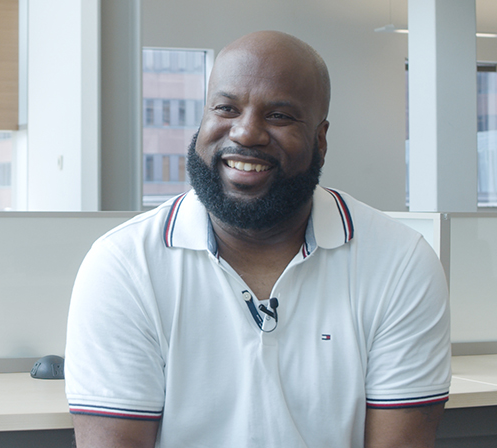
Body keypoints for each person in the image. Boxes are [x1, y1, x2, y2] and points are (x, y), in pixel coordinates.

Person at [65, 31, 451, 447]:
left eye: (279, 116)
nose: (246, 133)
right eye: (226, 108)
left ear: (320, 139)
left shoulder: (399, 262)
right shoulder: (125, 265)